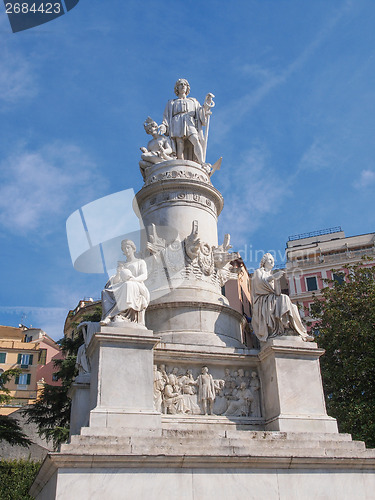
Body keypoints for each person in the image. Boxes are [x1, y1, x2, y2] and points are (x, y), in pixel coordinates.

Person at [251, 253, 313, 342]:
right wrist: (272, 278)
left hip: (272, 298)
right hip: (262, 299)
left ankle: (297, 331)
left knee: (293, 306)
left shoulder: (271, 274)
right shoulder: (259, 272)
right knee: (284, 298)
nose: (272, 262)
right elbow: (259, 285)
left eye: (273, 260)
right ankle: (284, 326)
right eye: (269, 260)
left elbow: (277, 293)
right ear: (264, 262)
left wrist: (276, 280)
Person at [160, 79, 213, 165]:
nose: (183, 86)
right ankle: (180, 163)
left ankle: (201, 162)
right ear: (177, 88)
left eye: (185, 84)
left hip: (189, 121)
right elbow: (166, 117)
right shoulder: (172, 103)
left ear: (187, 88)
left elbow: (201, 112)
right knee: (179, 145)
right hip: (176, 122)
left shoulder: (193, 101)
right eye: (181, 84)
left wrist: (207, 103)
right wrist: (163, 126)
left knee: (195, 140)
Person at [101, 239, 150, 325]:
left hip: (137, 284)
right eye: (124, 249)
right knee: (105, 292)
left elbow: (144, 275)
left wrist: (133, 280)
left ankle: (111, 316)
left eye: (128, 247)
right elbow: (116, 280)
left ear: (133, 248)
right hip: (123, 284)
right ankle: (112, 317)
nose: (126, 250)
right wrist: (118, 273)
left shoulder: (140, 262)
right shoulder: (122, 264)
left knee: (128, 285)